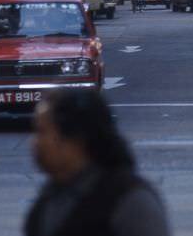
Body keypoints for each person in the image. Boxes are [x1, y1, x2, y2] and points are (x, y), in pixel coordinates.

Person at [25, 89, 171, 236]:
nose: (35, 143)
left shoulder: (130, 203)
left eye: (42, 132)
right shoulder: (49, 200)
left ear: (75, 139)